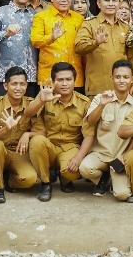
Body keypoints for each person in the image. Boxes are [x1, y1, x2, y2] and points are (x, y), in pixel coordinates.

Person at [79, 60, 133, 201]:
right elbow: (90, 121)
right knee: (84, 168)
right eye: (118, 77)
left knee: (122, 195)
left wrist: (125, 156)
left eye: (126, 77)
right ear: (112, 78)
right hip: (101, 154)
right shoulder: (100, 99)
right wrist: (102, 105)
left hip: (121, 158)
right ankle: (104, 178)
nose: (121, 80)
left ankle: (113, 180)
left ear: (132, 79)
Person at [27, 62, 92, 197]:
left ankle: (65, 177)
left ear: (75, 81)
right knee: (37, 141)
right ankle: (45, 183)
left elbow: (89, 135)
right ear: (53, 81)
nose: (64, 84)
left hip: (70, 147)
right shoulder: (46, 95)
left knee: (72, 172)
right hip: (49, 146)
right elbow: (28, 113)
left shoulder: (84, 103)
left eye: (68, 79)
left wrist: (79, 157)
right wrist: (41, 101)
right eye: (60, 80)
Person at [0, 67, 42, 203]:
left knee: (30, 179)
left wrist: (27, 134)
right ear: (5, 85)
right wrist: (6, 129)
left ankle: (10, 180)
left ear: (27, 85)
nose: (18, 88)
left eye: (22, 84)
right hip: (0, 151)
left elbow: (42, 132)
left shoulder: (31, 104)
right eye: (14, 84)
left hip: (18, 153)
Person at [74, 0, 133, 96]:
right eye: (107, 0)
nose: (110, 4)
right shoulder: (89, 24)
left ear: (119, 3)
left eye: (114, 0)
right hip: (98, 89)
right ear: (99, 3)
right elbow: (78, 47)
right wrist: (96, 42)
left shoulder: (126, 27)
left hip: (123, 90)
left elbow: (132, 58)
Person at [31, 0, 86, 91]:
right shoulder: (40, 17)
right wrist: (52, 37)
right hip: (49, 76)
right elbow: (35, 41)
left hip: (75, 76)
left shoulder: (79, 19)